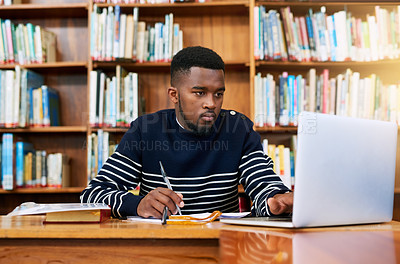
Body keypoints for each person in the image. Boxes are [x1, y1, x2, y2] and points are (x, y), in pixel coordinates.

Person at [80, 46, 293, 219]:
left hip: (221, 245)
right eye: (199, 93)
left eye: (218, 94)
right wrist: (138, 205)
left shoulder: (238, 129)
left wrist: (275, 201)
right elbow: (92, 196)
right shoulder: (145, 131)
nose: (211, 103)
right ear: (174, 95)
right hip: (159, 245)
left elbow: (263, 182)